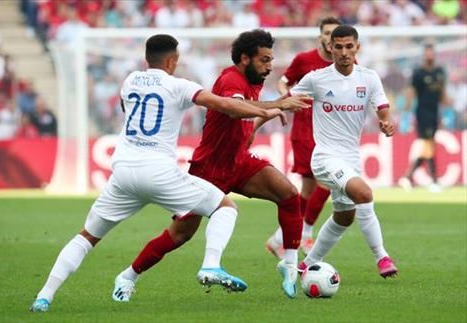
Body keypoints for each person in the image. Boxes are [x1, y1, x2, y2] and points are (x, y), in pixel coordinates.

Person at [30, 34, 289, 312]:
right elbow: (226, 105)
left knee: (87, 237)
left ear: (146, 58)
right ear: (172, 60)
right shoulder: (179, 85)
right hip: (157, 172)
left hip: (122, 173)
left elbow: (125, 109)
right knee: (225, 207)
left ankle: (44, 296)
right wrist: (276, 105)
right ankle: (211, 265)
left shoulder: (130, 81)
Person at [113, 29, 309, 300]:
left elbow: (243, 128)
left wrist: (266, 115)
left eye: (270, 59)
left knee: (289, 195)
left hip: (238, 162)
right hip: (209, 169)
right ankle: (128, 276)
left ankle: (288, 265)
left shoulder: (254, 81)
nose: (269, 66)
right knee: (181, 234)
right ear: (244, 58)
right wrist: (275, 105)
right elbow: (232, 107)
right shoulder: (230, 79)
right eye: (264, 60)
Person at [290, 25, 398, 278]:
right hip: (325, 157)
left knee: (345, 217)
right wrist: (259, 117)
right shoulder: (317, 78)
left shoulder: (369, 77)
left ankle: (306, 264)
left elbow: (382, 109)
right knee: (364, 193)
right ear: (330, 48)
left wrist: (386, 123)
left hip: (351, 158)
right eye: (338, 47)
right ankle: (382, 257)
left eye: (349, 46)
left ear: (357, 47)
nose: (344, 52)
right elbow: (288, 100)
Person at [266, 17, 340, 258]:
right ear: (320, 36)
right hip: (305, 131)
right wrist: (288, 100)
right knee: (326, 183)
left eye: (335, 34)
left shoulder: (346, 61)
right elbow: (283, 82)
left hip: (331, 132)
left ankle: (280, 237)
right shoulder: (304, 60)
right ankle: (305, 233)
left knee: (309, 189)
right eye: (327, 32)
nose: (331, 38)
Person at [398, 43, 447, 193]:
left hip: (435, 112)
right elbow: (411, 92)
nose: (429, 55)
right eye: (427, 53)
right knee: (429, 145)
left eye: (431, 53)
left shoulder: (439, 72)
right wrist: (405, 113)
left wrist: (445, 111)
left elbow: (442, 92)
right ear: (424, 55)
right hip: (422, 112)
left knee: (428, 146)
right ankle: (433, 180)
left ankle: (407, 177)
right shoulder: (418, 73)